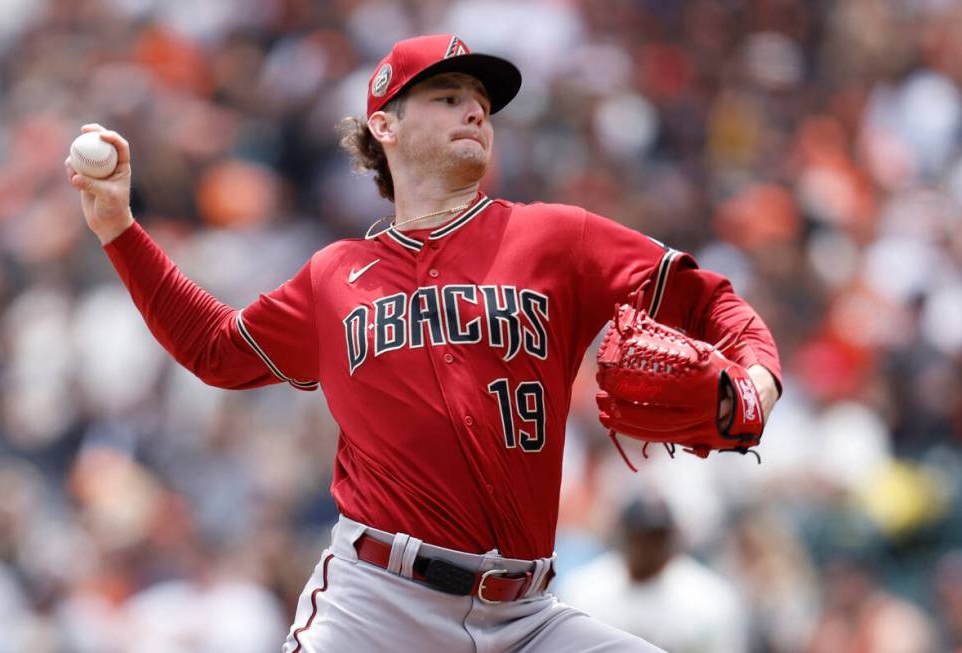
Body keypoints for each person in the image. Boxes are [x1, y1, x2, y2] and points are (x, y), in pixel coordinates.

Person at [65, 34, 782, 653]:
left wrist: (759, 381)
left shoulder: (557, 237)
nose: (476, 108)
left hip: (527, 614)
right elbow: (217, 349)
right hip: (378, 605)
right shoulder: (333, 276)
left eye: (480, 99)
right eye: (446, 95)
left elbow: (709, 297)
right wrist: (119, 230)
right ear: (386, 125)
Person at [557, 493, 749, 653]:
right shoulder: (583, 590)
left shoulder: (709, 599)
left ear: (673, 538)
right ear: (623, 535)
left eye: (656, 538)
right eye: (640, 537)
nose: (647, 547)